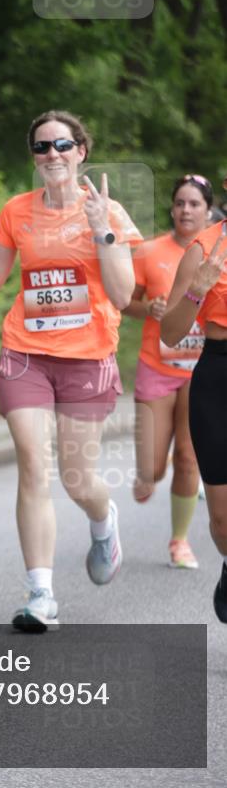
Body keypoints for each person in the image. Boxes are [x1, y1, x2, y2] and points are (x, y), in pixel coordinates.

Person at [0, 110, 141, 632]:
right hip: (25, 352)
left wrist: (101, 231)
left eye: (63, 146)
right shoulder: (18, 212)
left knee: (77, 478)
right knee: (32, 464)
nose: (52, 156)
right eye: (42, 148)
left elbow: (124, 295)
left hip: (87, 357)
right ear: (34, 157)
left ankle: (102, 519)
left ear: (81, 152)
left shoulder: (108, 211)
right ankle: (40, 594)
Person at [123, 175, 214, 568]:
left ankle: (179, 542)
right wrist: (150, 309)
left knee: (190, 458)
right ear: (172, 208)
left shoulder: (217, 252)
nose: (186, 210)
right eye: (180, 203)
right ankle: (147, 473)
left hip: (201, 370)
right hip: (157, 365)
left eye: (195, 204)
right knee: (152, 467)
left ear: (208, 210)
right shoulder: (148, 251)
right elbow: (126, 301)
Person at [161, 178, 227, 623]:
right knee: (222, 522)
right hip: (218, 376)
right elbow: (169, 331)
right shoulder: (204, 248)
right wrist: (197, 290)